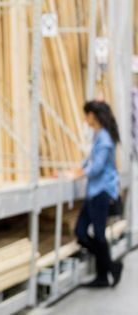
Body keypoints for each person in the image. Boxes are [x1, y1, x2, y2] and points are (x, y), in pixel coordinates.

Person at [72, 100, 123, 288]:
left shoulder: (104, 138)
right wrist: (78, 169)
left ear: (93, 116)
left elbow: (98, 167)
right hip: (94, 192)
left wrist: (79, 173)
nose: (85, 119)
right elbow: (91, 160)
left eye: (86, 115)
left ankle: (105, 274)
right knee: (81, 232)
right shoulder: (99, 136)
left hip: (101, 192)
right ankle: (110, 268)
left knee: (98, 235)